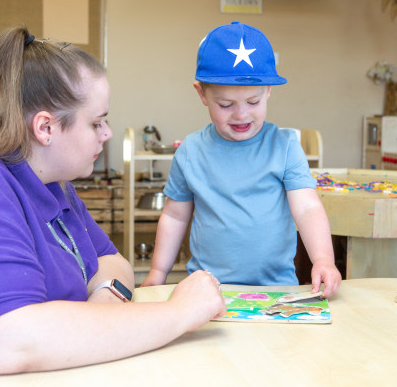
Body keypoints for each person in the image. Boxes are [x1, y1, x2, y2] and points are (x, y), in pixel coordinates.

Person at [0, 26, 226, 386]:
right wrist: (179, 312)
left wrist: (103, 306)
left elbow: (113, 263)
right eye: (97, 122)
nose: (107, 133)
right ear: (46, 127)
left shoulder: (51, 183)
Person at [142, 22, 341, 296]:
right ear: (202, 94)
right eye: (226, 105)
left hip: (277, 288)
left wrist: (323, 260)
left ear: (269, 90)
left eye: (253, 102)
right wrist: (158, 272)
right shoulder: (190, 150)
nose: (241, 114)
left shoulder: (284, 147)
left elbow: (307, 208)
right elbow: (175, 217)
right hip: (207, 289)